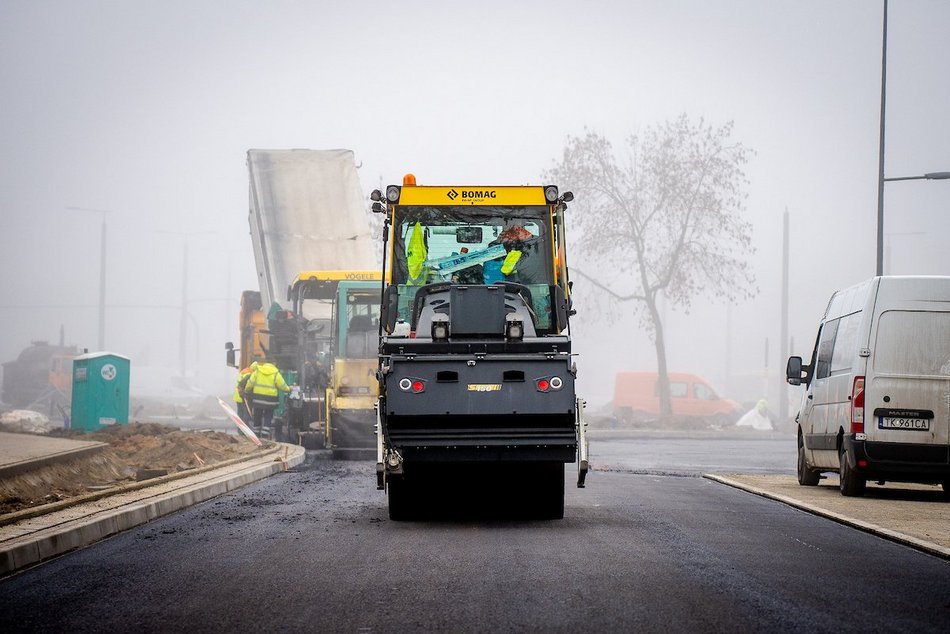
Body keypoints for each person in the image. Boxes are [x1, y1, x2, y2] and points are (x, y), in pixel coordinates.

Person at [243, 359, 290, 437]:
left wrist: (246, 391)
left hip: (258, 399)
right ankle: (265, 434)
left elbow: (250, 383)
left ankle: (256, 434)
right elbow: (282, 386)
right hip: (270, 401)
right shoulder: (275, 373)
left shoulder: (258, 371)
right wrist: (289, 389)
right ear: (274, 363)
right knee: (268, 416)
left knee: (257, 415)